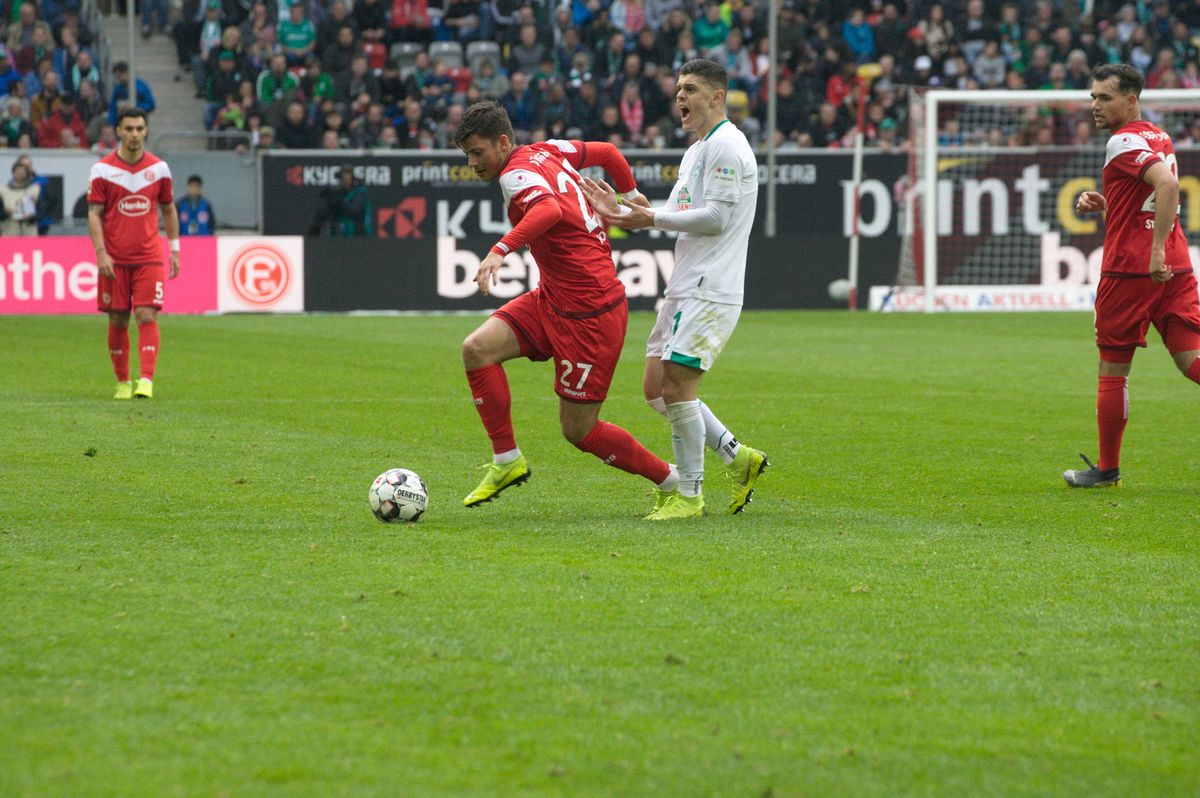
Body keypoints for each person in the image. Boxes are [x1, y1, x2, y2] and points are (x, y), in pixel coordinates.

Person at [452, 101, 681, 512]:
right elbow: (608, 153)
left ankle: (672, 480)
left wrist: (500, 250)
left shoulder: (515, 174)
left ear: (502, 142)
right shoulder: (549, 149)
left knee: (579, 430)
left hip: (591, 313)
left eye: (477, 152)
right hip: (554, 297)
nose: (472, 163)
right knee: (477, 350)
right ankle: (506, 460)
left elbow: (549, 209)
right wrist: (631, 195)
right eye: (467, 154)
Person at [582, 58, 768, 519]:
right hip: (685, 283)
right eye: (678, 89)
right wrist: (627, 209)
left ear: (717, 97)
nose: (680, 97)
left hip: (711, 285)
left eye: (691, 89)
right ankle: (738, 457)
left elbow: (717, 218)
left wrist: (651, 218)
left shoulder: (728, 146)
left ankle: (689, 495)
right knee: (655, 388)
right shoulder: (696, 151)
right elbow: (683, 211)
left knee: (679, 385)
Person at [1063, 63, 1200, 488]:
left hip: (1131, 271)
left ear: (1130, 100)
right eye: (1093, 97)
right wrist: (1109, 204)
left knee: (1113, 368)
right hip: (1177, 267)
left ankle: (1106, 470)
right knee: (1191, 361)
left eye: (1104, 98)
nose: (1095, 105)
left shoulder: (1121, 141)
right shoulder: (1158, 135)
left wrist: (1153, 250)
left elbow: (1168, 187)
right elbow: (1147, 201)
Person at [87, 108, 181, 400]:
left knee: (146, 313)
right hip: (114, 259)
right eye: (129, 129)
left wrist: (174, 249)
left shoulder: (159, 169)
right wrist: (101, 253)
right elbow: (94, 213)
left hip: (148, 256)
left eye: (139, 129)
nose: (135, 134)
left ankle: (146, 380)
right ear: (118, 131)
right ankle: (123, 382)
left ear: (146, 131)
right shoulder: (103, 170)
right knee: (117, 319)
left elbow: (168, 209)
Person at [307, 164, 373, 236]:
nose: (346, 180)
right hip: (342, 236)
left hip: (359, 235)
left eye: (348, 178)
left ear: (353, 179)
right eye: (344, 178)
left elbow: (354, 211)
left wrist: (338, 200)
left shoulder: (360, 192)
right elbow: (327, 213)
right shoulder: (339, 194)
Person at [0, 159, 40, 236]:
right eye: (17, 172)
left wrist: (31, 217)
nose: (20, 174)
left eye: (22, 172)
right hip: (9, 231)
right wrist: (6, 213)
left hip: (29, 232)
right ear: (13, 173)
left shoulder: (34, 189)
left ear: (27, 173)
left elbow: (42, 211)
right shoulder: (3, 191)